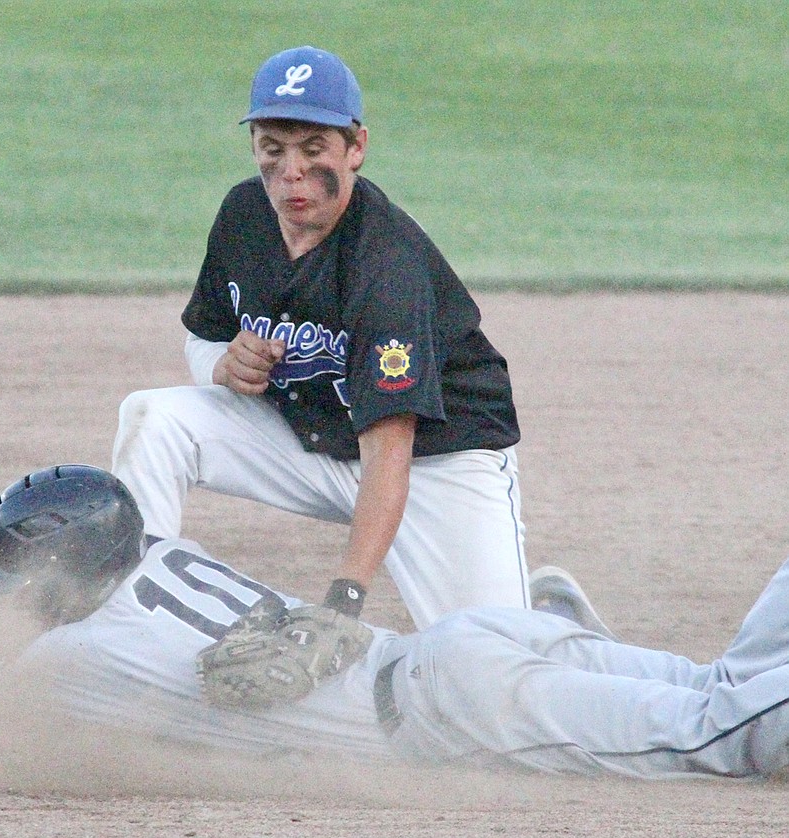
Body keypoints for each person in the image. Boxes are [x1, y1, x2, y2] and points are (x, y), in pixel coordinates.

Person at [0, 465, 789, 780]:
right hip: (467, 644)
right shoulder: (163, 552)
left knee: (714, 736)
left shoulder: (73, 660)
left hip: (460, 707)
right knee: (718, 686)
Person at [111, 46, 528, 629]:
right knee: (154, 417)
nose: (291, 172)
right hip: (313, 442)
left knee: (493, 662)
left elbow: (389, 450)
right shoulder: (243, 216)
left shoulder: (386, 264)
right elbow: (203, 336)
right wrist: (221, 366)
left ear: (356, 148)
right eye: (273, 149)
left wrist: (345, 599)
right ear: (254, 145)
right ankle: (130, 617)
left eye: (313, 150)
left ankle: (554, 626)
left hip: (437, 464)